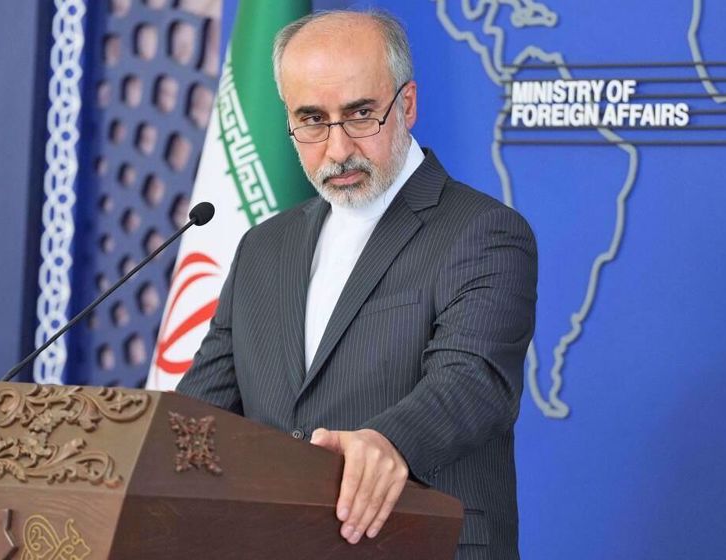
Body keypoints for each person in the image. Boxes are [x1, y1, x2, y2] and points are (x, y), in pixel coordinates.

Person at [175, 9, 536, 559]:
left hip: (421, 544)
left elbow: (473, 381)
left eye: (361, 114)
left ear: (407, 104)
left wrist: (389, 441)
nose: (338, 149)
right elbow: (204, 411)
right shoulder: (261, 249)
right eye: (313, 120)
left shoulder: (482, 231)